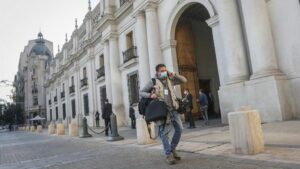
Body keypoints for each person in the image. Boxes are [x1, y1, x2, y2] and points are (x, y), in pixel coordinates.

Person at [140, 64, 187, 165]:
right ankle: (168, 154)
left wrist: (174, 74)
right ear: (157, 72)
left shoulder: (170, 79)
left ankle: (172, 148)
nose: (165, 72)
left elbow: (184, 80)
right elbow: (141, 92)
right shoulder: (153, 81)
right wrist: (150, 95)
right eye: (162, 71)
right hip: (162, 111)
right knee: (163, 133)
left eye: (165, 70)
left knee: (179, 129)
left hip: (174, 109)